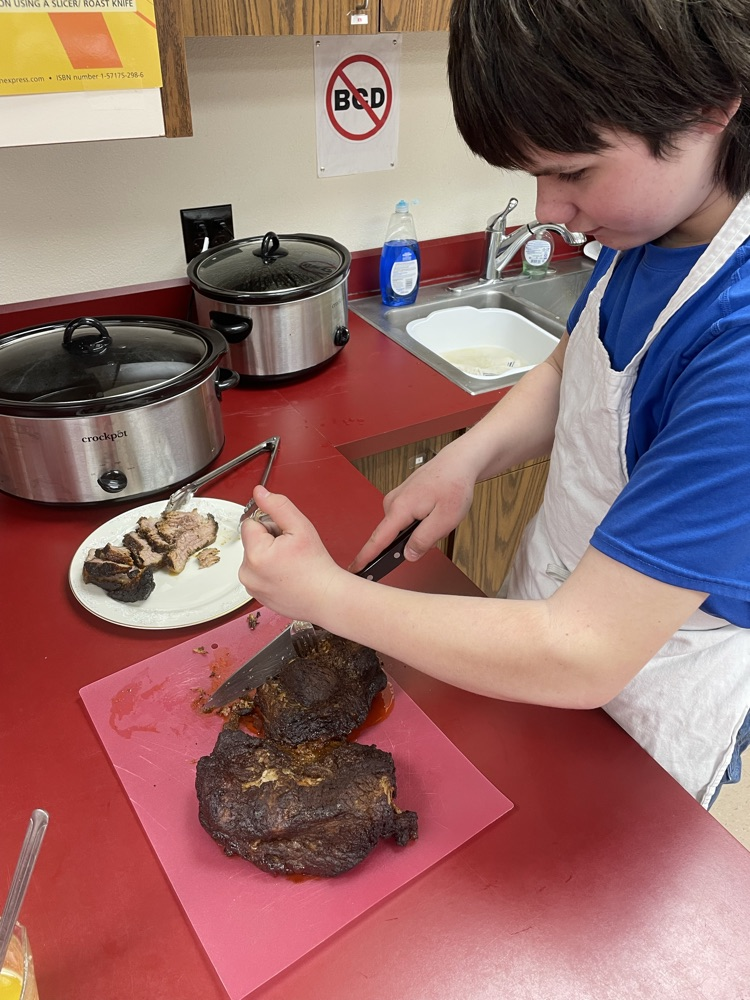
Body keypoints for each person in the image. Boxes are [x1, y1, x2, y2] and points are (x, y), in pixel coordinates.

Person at [239, 0, 750, 809]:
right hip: (539, 628)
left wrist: (327, 597)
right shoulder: (654, 229)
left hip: (638, 701)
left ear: (715, 105)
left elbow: (587, 651)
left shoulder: (739, 343)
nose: (549, 209)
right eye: (536, 173)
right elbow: (567, 371)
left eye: (575, 172)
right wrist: (464, 458)